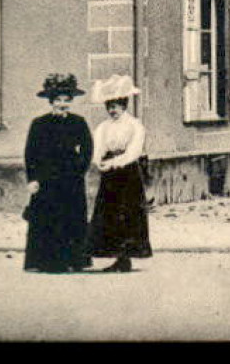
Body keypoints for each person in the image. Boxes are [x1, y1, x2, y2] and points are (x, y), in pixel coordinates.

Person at [23, 73, 94, 274]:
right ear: (51, 102)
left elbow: (88, 149)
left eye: (66, 100)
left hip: (71, 178)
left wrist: (79, 170)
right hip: (46, 178)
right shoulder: (39, 124)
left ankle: (73, 260)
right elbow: (30, 153)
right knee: (48, 217)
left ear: (71, 102)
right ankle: (46, 261)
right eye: (58, 100)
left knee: (71, 217)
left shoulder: (78, 122)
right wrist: (32, 179)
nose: (62, 104)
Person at [86, 74, 152, 274]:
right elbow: (97, 149)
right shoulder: (103, 127)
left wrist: (116, 162)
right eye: (110, 106)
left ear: (124, 105)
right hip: (110, 176)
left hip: (128, 173)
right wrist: (100, 162)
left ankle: (126, 257)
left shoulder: (134, 125)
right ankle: (115, 255)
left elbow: (134, 151)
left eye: (117, 105)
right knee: (110, 213)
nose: (113, 110)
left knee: (128, 212)